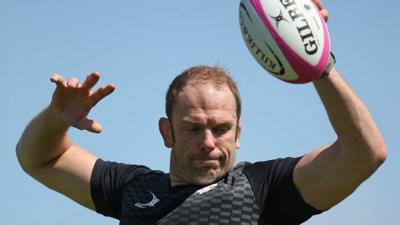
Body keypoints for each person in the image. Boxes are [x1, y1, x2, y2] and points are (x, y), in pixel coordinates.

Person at [16, 1, 386, 225]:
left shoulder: (264, 190)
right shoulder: (133, 189)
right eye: (193, 128)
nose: (209, 142)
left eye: (221, 128)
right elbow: (40, 159)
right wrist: (56, 116)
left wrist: (318, 65)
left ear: (238, 132)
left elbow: (364, 153)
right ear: (167, 132)